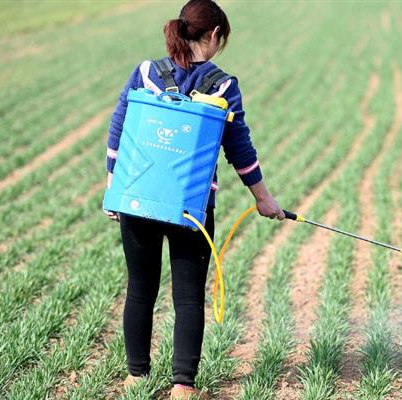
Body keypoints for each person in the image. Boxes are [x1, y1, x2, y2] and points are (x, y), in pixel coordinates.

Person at [103, 1, 285, 398]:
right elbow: (240, 149)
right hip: (192, 209)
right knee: (187, 299)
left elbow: (120, 127)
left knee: (140, 288)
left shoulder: (146, 73)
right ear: (215, 35)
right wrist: (264, 199)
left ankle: (136, 376)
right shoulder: (222, 85)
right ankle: (183, 387)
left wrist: (115, 188)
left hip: (139, 202)